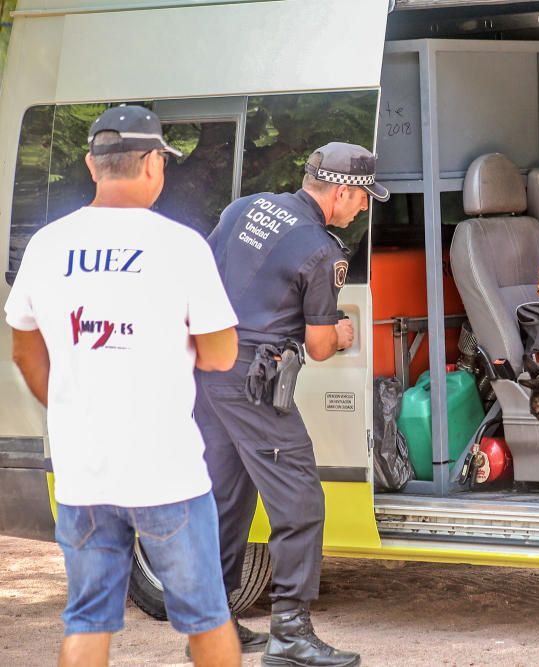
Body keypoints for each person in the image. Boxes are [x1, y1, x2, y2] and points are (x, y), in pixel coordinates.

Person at [4, 105, 241, 667]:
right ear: (155, 164)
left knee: (87, 619)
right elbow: (222, 353)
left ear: (92, 164)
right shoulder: (182, 246)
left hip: (82, 473)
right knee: (207, 618)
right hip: (168, 474)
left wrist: (70, 403)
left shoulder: (45, 245)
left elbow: (23, 346)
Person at [195, 142, 388, 667]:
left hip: (208, 368)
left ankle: (212, 632)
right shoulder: (322, 250)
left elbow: (203, 278)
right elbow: (321, 345)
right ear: (342, 191)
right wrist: (344, 333)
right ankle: (290, 636)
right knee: (300, 501)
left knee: (228, 499)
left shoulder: (245, 208)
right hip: (255, 382)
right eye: (363, 198)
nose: (364, 209)